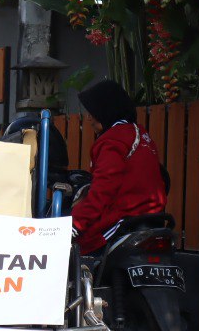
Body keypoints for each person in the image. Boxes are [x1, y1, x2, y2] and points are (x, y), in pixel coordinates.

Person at [71, 79, 167, 254]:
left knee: (75, 249)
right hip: (153, 219)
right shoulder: (142, 135)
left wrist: (75, 225)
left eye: (92, 111)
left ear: (106, 110)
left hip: (125, 220)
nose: (89, 118)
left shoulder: (112, 140)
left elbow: (102, 191)